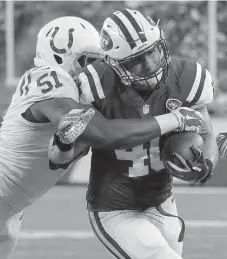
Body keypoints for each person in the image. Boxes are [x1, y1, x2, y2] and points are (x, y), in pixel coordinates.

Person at [0, 16, 203, 259]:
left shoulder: (83, 99)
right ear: (60, 56)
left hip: (12, 208)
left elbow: (59, 158)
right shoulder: (48, 78)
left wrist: (64, 143)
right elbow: (103, 133)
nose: (97, 68)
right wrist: (175, 119)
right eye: (89, 60)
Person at [74, 9, 219, 259]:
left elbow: (206, 136)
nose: (150, 63)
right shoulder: (94, 85)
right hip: (113, 209)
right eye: (136, 60)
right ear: (115, 63)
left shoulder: (187, 78)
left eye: (152, 50)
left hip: (162, 203)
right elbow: (100, 136)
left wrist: (205, 165)